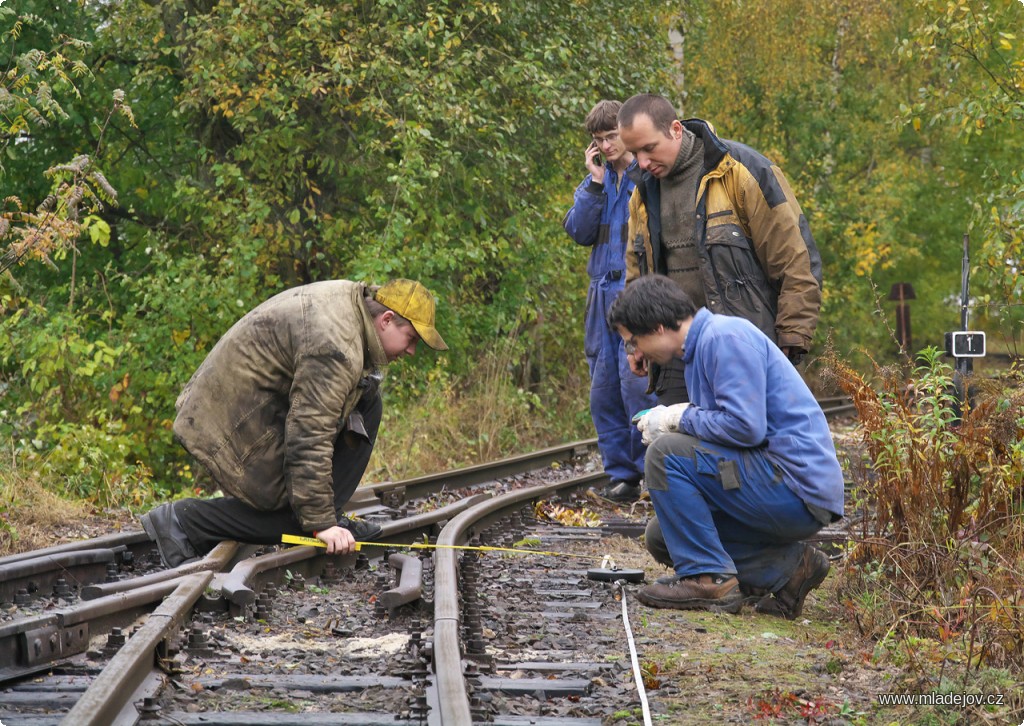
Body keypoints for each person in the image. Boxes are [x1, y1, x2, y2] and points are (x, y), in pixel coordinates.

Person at [616, 93, 826, 566]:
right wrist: (634, 338)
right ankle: (772, 568)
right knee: (678, 471)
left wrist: (790, 344)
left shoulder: (741, 171)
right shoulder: (641, 194)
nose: (642, 162)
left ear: (675, 130)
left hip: (742, 350)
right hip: (674, 354)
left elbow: (795, 260)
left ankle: (716, 573)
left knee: (746, 458)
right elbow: (638, 270)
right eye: (635, 155)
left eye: (649, 149)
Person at [139, 278, 447, 568]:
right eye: (411, 339)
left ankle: (324, 515)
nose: (410, 351)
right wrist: (321, 523)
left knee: (368, 400)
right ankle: (183, 520)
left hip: (258, 409)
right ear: (387, 319)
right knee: (299, 518)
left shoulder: (355, 307)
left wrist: (324, 515)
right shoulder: (335, 345)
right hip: (231, 423)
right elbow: (308, 436)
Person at [607, 275, 843, 618]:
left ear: (657, 327)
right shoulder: (700, 349)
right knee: (662, 535)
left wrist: (679, 417)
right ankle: (791, 569)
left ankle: (711, 581)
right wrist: (679, 418)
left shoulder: (724, 338)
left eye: (633, 342)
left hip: (795, 487)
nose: (635, 353)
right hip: (772, 481)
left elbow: (746, 428)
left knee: (664, 452)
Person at [562, 99, 656, 503]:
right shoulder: (600, 183)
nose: (605, 144)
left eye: (611, 136)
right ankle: (623, 475)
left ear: (625, 133)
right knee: (603, 390)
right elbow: (578, 230)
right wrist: (594, 183)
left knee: (638, 384)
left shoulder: (645, 176)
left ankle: (657, 471)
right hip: (600, 293)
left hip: (635, 291)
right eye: (598, 139)